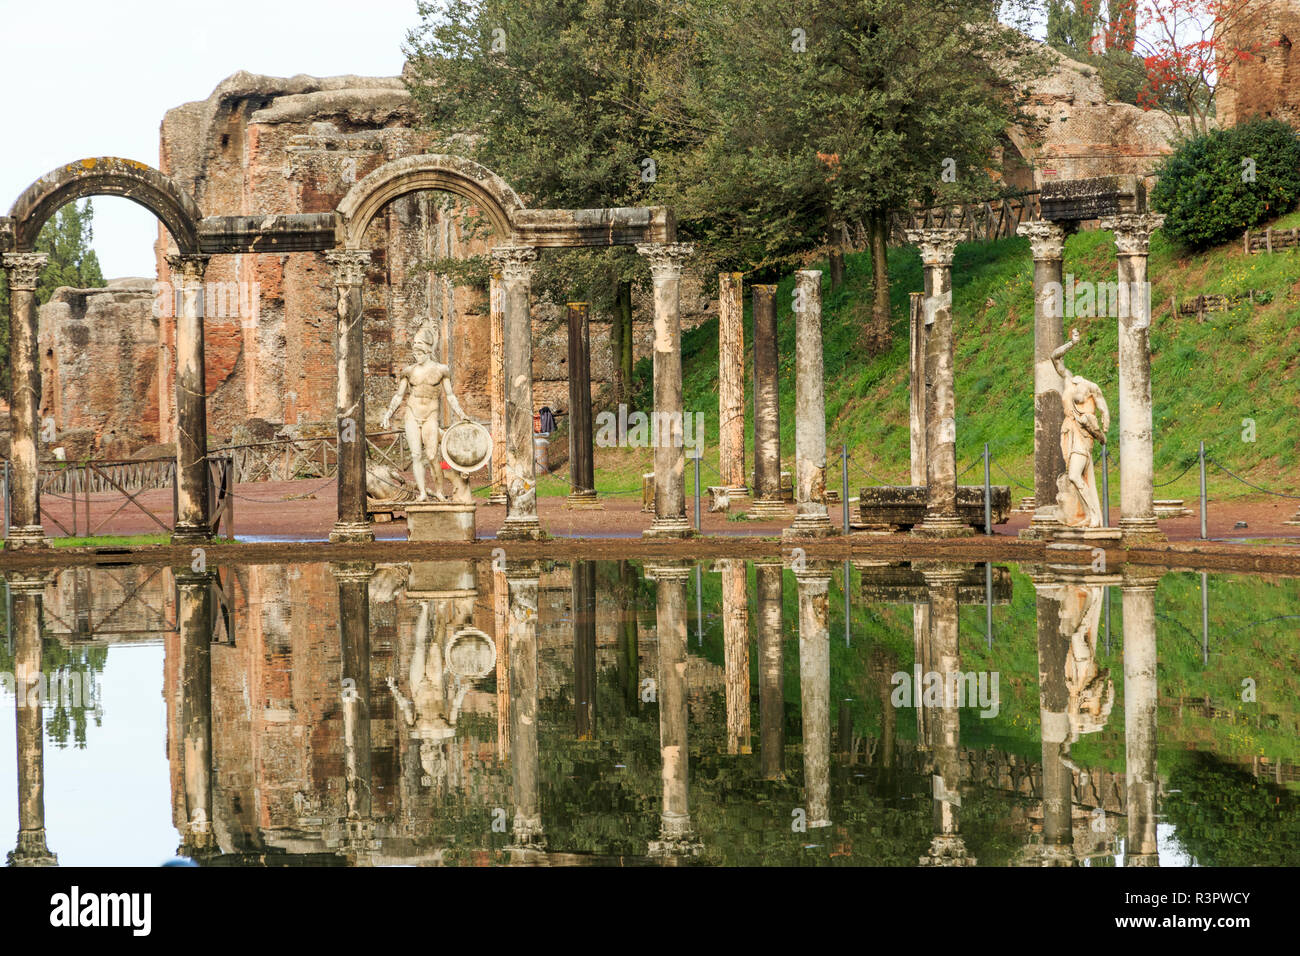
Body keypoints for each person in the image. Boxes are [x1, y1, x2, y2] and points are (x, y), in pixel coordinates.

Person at [381, 321, 469, 501]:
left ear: (429, 351)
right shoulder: (409, 371)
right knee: (415, 454)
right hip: (412, 414)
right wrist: (387, 414)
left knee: (431, 455)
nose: (417, 355)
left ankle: (438, 490)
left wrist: (461, 413)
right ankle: (422, 493)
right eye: (415, 352)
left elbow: (450, 395)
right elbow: (399, 396)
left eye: (420, 352)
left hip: (430, 414)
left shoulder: (441, 370)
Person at [1051, 328, 1110, 528]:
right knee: (1077, 477)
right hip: (1068, 431)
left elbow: (1103, 409)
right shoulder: (1069, 381)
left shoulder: (1091, 392)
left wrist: (1104, 424)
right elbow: (1054, 357)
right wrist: (1072, 343)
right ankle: (1087, 516)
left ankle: (1094, 516)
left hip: (1083, 436)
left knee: (1076, 476)